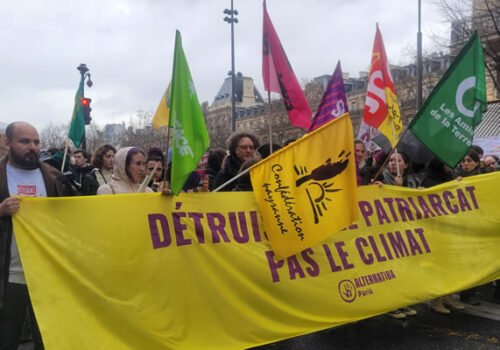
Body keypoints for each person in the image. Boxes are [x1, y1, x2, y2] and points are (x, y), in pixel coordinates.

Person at [0, 122, 75, 349]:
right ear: (7, 143)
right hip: (9, 276)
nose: (32, 146)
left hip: (47, 273)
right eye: (24, 141)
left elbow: (75, 216)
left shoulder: (54, 176)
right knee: (6, 338)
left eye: (36, 141)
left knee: (48, 337)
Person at [375, 150, 418, 319]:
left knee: (404, 269)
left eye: (398, 161)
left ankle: (402, 302)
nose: (393, 163)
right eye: (391, 160)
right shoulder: (380, 179)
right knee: (389, 270)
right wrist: (394, 189)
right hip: (386, 233)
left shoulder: (413, 181)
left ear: (406, 165)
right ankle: (390, 304)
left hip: (406, 231)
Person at [421, 157, 465, 314]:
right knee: (439, 267)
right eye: (448, 162)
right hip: (435, 231)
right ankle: (435, 301)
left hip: (449, 229)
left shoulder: (448, 177)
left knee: (451, 265)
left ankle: (447, 296)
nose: (452, 164)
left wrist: (455, 184)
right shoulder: (429, 181)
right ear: (440, 164)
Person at [453, 149, 482, 305]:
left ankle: (468, 294)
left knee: (475, 263)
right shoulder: (454, 177)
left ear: (477, 163)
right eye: (463, 161)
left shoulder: (485, 178)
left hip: (477, 228)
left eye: (469, 161)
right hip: (458, 227)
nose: (465, 164)